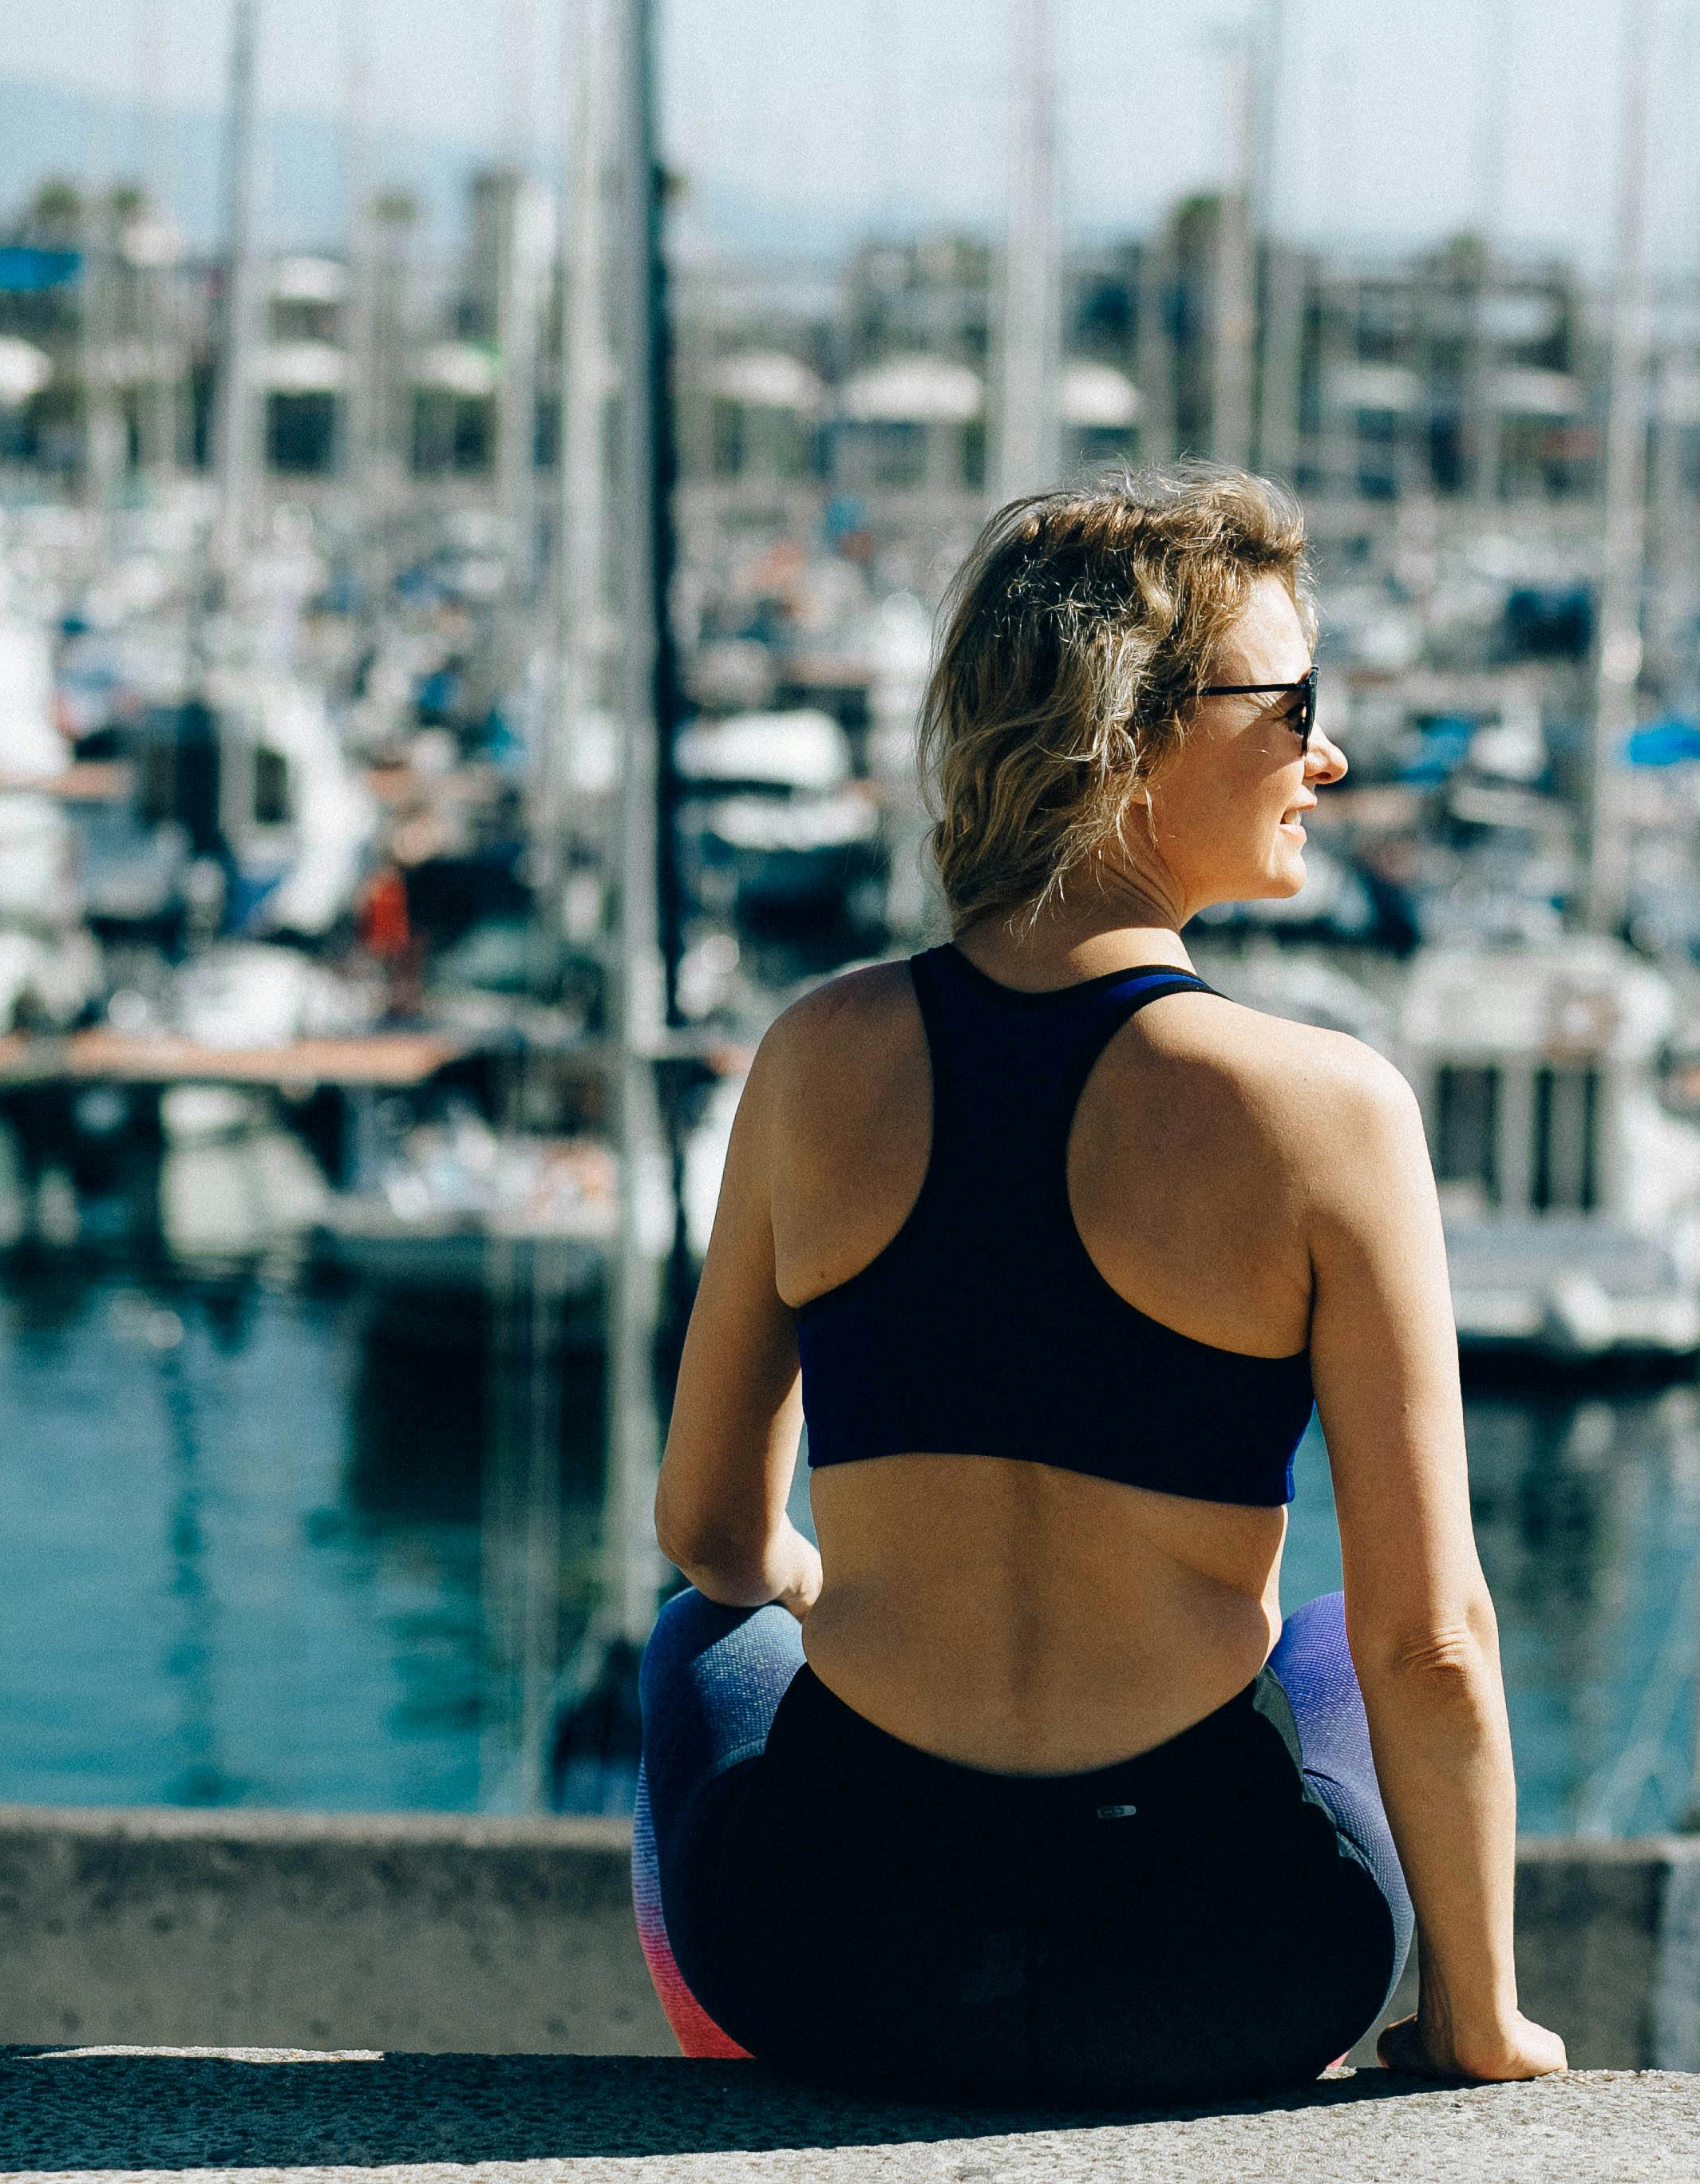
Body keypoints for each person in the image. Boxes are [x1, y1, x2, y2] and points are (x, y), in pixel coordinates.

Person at [633, 467, 1564, 2107]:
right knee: (1344, 1641)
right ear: (1132, 739)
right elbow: (1435, 1644)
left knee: (705, 1642)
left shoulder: (814, 1058)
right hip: (1216, 1978)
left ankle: (724, 2057)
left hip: (821, 1956)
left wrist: (822, 1591)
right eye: (1295, 707)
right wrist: (1476, 2022)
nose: (1326, 757)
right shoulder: (1328, 1114)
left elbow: (711, 1536)